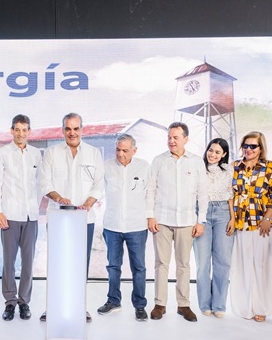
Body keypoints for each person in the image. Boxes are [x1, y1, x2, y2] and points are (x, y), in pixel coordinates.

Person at [39, 112, 104, 322]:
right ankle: (53, 308)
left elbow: (99, 184)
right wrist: (58, 197)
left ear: (82, 130)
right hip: (58, 217)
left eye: (76, 128)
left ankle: (79, 308)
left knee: (80, 265)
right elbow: (44, 182)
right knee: (57, 264)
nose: (72, 133)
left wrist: (88, 203)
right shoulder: (52, 153)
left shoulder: (94, 153)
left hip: (85, 219)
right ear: (63, 130)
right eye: (68, 129)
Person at [146, 122, 207, 322]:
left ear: (185, 139)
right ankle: (160, 304)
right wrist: (150, 215)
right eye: (169, 137)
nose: (171, 141)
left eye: (175, 137)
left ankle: (183, 305)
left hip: (187, 221)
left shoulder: (196, 162)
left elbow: (202, 193)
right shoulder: (159, 160)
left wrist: (201, 220)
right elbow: (151, 189)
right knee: (161, 263)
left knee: (183, 264)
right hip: (162, 220)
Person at [0, 115, 41, 321]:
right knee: (8, 262)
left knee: (28, 262)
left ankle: (24, 302)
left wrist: (35, 207)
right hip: (9, 215)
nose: (21, 133)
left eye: (24, 130)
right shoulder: (2, 153)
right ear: (11, 131)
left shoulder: (36, 154)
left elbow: (39, 183)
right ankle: (10, 302)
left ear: (29, 132)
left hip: (31, 216)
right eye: (17, 129)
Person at [231, 131, 272, 322]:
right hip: (241, 222)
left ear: (261, 148)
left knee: (262, 265)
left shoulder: (270, 167)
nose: (248, 149)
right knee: (244, 265)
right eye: (245, 145)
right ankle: (246, 306)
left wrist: (268, 218)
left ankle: (261, 307)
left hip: (262, 222)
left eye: (253, 146)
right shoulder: (235, 167)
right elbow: (229, 195)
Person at [97, 134, 150, 321]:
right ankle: (113, 301)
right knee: (113, 266)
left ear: (134, 150)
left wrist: (151, 217)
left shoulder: (144, 167)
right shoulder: (106, 166)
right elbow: (97, 190)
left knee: (139, 267)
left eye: (125, 150)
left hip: (137, 225)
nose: (120, 154)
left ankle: (140, 305)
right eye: (118, 149)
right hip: (112, 225)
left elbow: (150, 195)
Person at [192, 138, 235, 318]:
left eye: (218, 152)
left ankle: (219, 305)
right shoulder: (198, 167)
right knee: (202, 262)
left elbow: (231, 195)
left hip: (223, 212)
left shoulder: (228, 170)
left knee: (223, 261)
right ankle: (204, 304)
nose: (213, 154)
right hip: (201, 213)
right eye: (211, 150)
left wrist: (232, 218)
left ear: (224, 154)